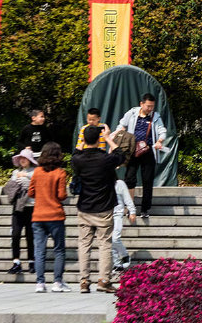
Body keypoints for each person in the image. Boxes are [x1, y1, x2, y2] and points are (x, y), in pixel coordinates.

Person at [71, 124, 127, 293]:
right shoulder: (105, 159)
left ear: (84, 140)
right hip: (103, 207)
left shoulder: (78, 160)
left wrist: (80, 143)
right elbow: (120, 154)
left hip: (85, 207)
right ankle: (103, 280)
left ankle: (84, 281)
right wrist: (109, 137)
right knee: (104, 245)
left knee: (84, 244)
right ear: (99, 139)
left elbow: (75, 153)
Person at [28, 142, 70, 292]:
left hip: (38, 215)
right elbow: (61, 195)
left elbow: (31, 192)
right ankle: (57, 282)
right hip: (55, 215)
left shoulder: (37, 172)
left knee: (39, 250)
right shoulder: (60, 172)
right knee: (59, 250)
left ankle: (40, 282)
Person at [115, 94, 167, 215]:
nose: (150, 109)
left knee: (147, 180)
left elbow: (162, 130)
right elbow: (121, 124)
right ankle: (130, 206)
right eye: (148, 106)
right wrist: (119, 133)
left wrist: (160, 141)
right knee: (129, 178)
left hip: (148, 151)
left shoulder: (155, 116)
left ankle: (145, 209)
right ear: (141, 104)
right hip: (133, 150)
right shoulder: (132, 113)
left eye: (152, 106)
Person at [107, 129, 139, 283]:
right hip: (107, 214)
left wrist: (132, 211)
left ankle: (124, 255)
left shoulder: (119, 184)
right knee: (110, 241)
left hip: (118, 213)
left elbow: (127, 199)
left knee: (115, 237)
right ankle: (117, 264)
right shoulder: (104, 185)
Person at [3, 147, 38, 276]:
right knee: (16, 235)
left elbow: (35, 182)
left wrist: (26, 176)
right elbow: (13, 184)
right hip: (18, 207)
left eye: (25, 158)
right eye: (21, 158)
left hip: (31, 206)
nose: (23, 160)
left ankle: (31, 260)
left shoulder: (35, 171)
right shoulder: (15, 172)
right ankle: (16, 261)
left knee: (30, 235)